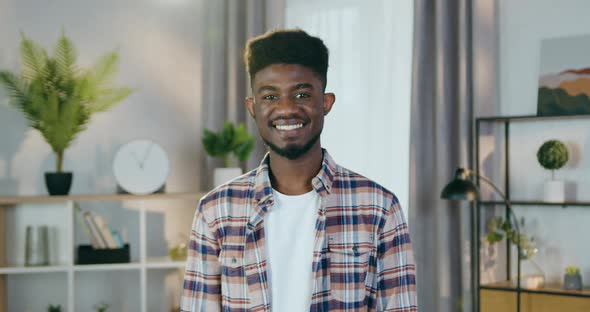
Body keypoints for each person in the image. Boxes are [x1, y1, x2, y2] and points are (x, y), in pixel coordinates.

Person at [181, 29, 417, 312]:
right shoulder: (215, 211)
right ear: (252, 107)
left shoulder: (379, 208)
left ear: (326, 103)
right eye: (269, 97)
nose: (286, 109)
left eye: (302, 94)